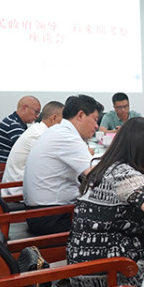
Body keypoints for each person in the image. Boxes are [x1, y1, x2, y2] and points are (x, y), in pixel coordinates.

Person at [66, 117, 144, 287]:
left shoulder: (108, 167)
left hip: (82, 268)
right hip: (109, 274)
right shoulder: (126, 175)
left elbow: (140, 193)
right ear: (143, 146)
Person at [23, 95, 103, 235]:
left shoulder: (58, 130)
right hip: (51, 217)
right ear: (80, 115)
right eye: (95, 119)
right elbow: (96, 175)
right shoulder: (67, 137)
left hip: (41, 213)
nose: (96, 126)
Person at [1, 101, 64, 196]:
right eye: (64, 120)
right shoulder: (40, 135)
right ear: (54, 118)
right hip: (18, 190)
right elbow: (55, 163)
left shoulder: (38, 129)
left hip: (23, 184)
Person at [0, 95, 41, 163]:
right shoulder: (12, 124)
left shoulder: (15, 121)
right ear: (24, 108)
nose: (37, 116)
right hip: (3, 167)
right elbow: (29, 148)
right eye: (36, 112)